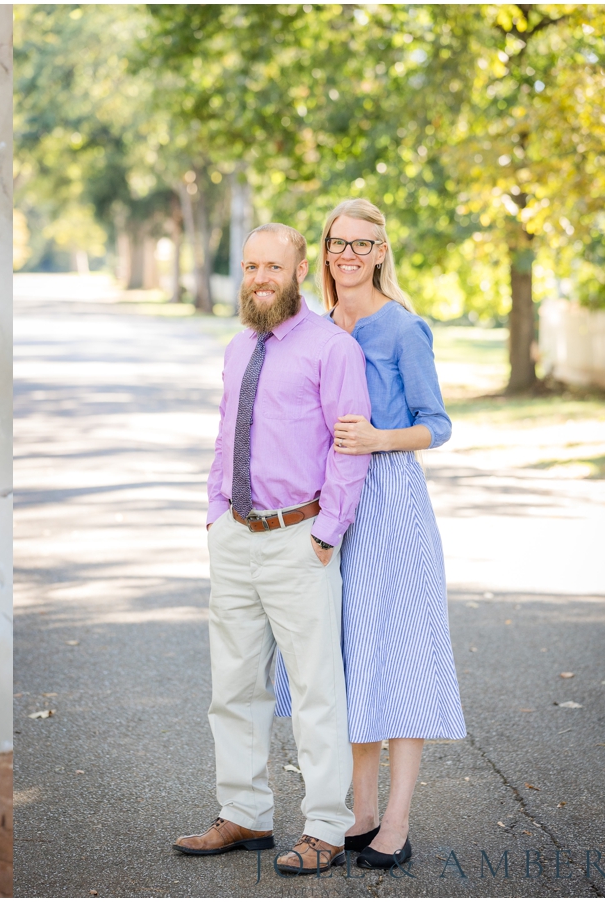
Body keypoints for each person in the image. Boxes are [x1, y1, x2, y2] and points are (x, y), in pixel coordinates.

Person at [172, 223, 372, 875]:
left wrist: (326, 532)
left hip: (299, 538)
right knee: (232, 686)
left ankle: (326, 828)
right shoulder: (238, 347)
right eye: (251, 266)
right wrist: (213, 517)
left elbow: (350, 445)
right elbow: (227, 433)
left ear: (298, 270)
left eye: (273, 267)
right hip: (235, 536)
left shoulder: (331, 348)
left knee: (316, 689)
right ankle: (246, 814)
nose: (259, 278)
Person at [272, 198, 466, 870]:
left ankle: (398, 821)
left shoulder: (403, 329)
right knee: (347, 659)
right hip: (330, 506)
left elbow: (436, 425)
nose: (348, 255)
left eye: (362, 244)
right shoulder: (317, 329)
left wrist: (381, 438)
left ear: (381, 252)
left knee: (398, 656)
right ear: (323, 252)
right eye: (337, 243)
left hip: (391, 505)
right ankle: (358, 812)